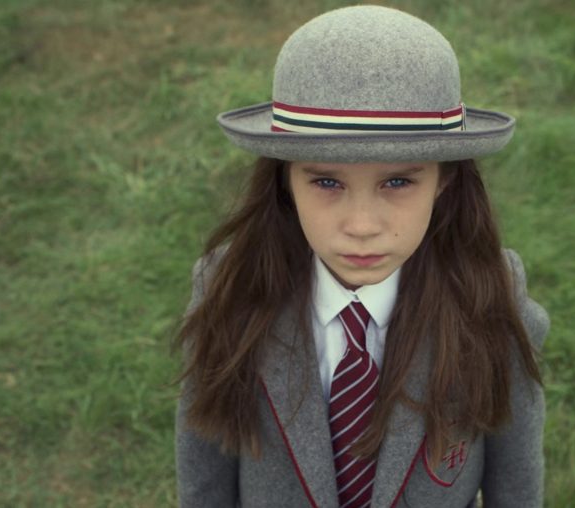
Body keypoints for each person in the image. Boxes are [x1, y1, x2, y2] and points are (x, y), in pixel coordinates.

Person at [173, 5, 549, 507]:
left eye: (398, 182)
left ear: (445, 179)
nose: (362, 226)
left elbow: (517, 488)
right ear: (284, 179)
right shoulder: (231, 287)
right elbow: (204, 480)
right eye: (327, 182)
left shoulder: (493, 297)